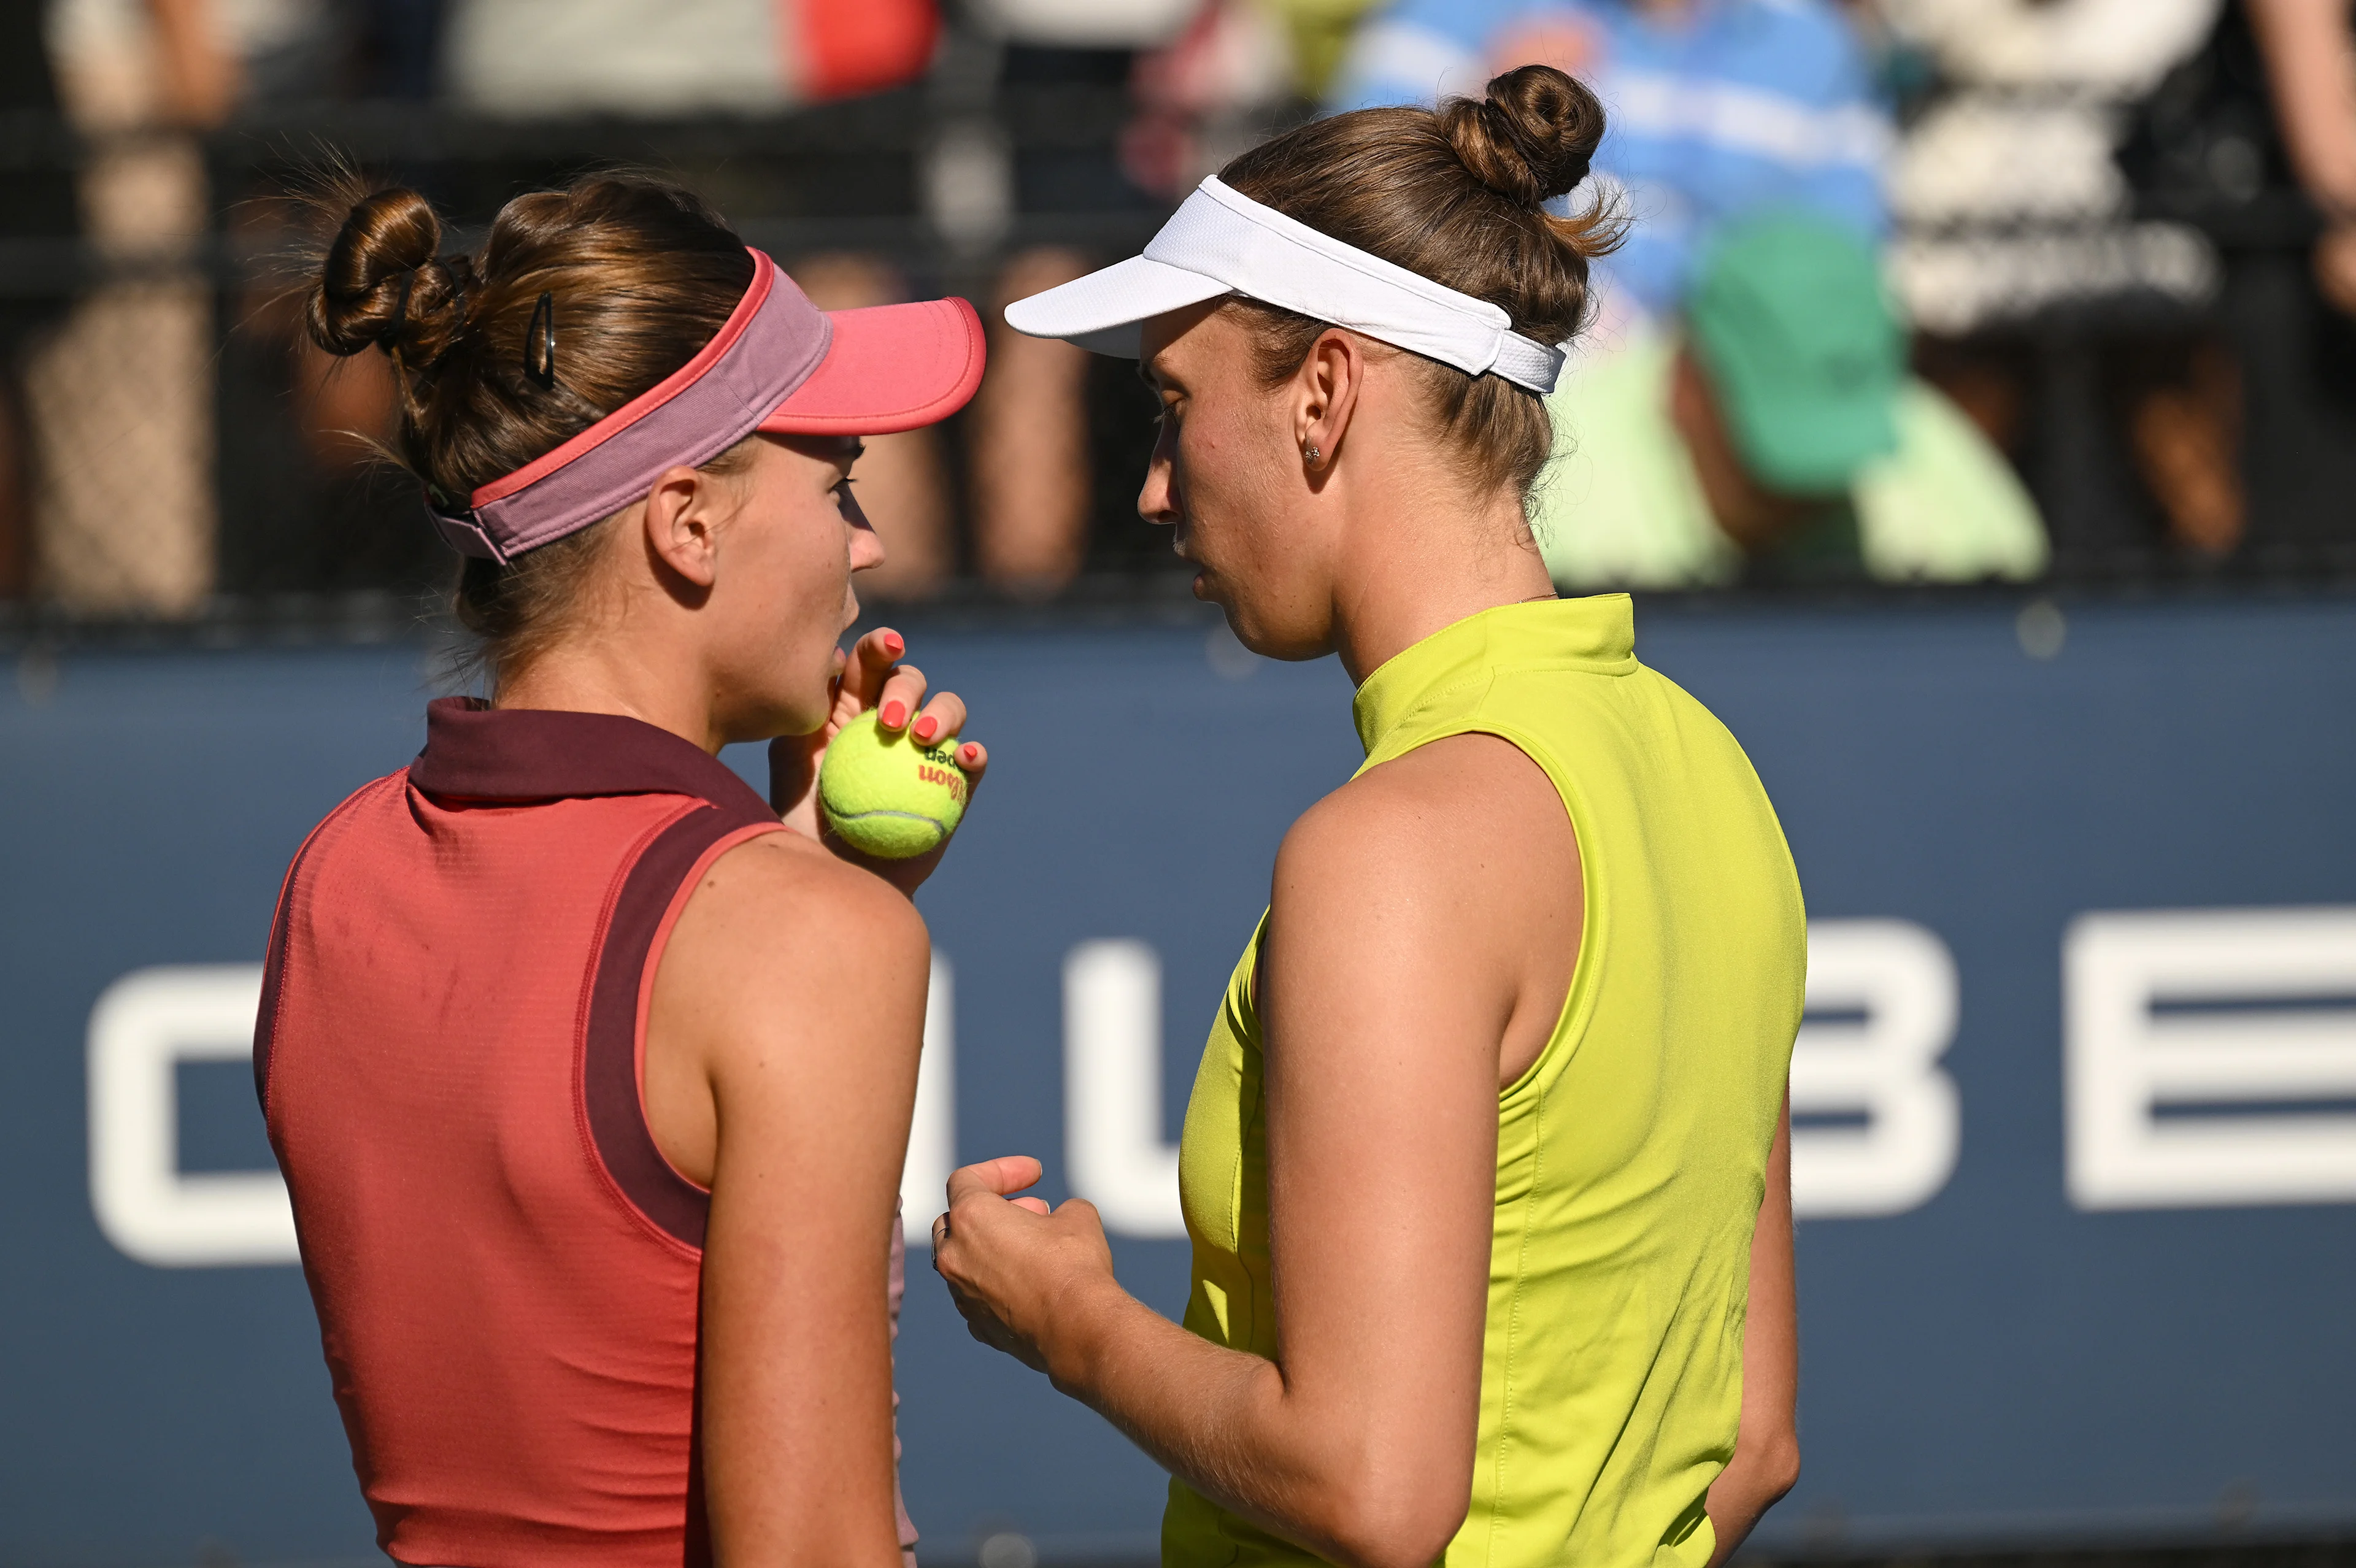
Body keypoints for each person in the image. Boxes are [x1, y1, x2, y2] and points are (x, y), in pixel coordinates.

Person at [933, 65, 1804, 1568]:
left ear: (1325, 392)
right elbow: (1752, 1445)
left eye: (1173, 407)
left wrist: (1071, 1324)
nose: (1152, 490)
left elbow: (1373, 1491)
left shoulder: (1392, 854)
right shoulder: (1710, 767)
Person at [255, 174, 986, 1565]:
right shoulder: (792, 945)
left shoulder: (329, 874)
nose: (866, 546)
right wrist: (812, 912)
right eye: (836, 483)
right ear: (689, 523)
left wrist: (798, 877)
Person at [1540, 209, 2048, 587]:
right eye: (1773, 454)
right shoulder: (1546, 490)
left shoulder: (1940, 471)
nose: (1807, 491)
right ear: (1687, 388)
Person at [1328, 0, 1889, 323]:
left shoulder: (1814, 43)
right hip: (1503, 360)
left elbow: (1839, 262)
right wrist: (1487, 107)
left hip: (1715, 398)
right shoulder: (1456, 13)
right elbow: (1348, 203)